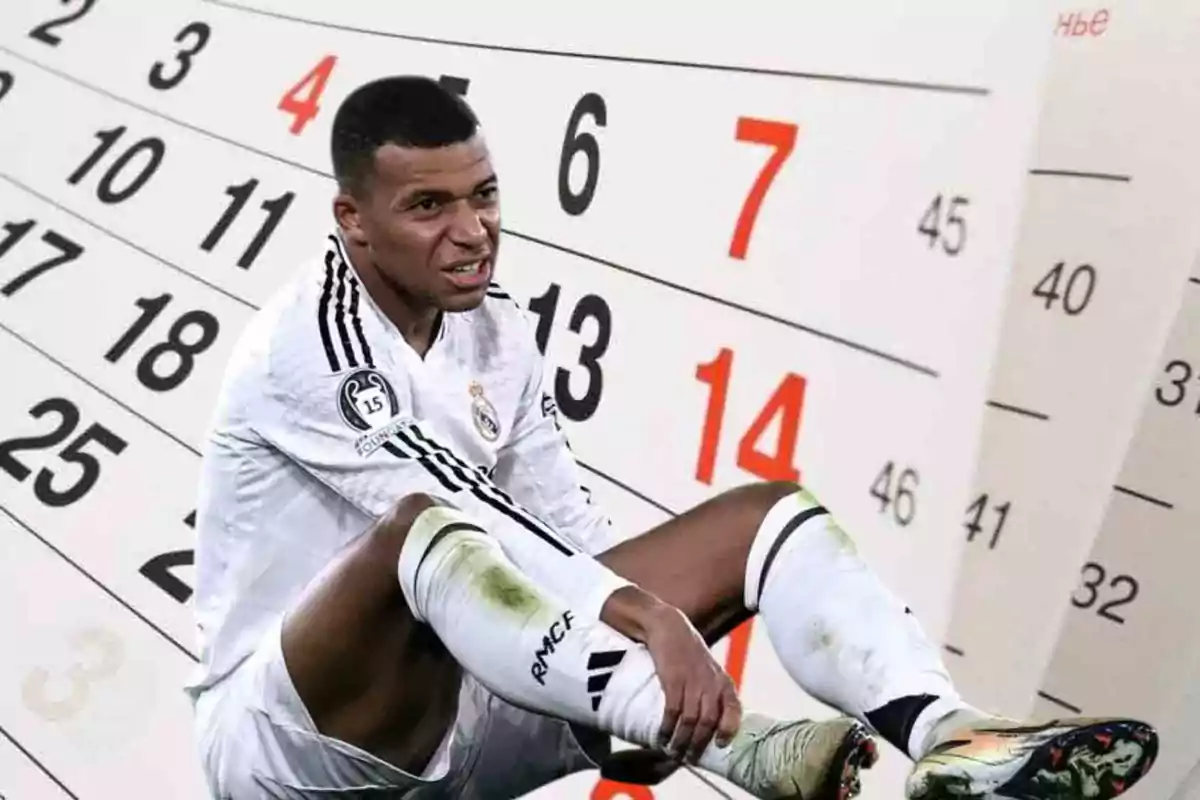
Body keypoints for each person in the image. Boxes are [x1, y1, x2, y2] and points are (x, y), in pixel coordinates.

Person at [185, 74, 1158, 800]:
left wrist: (626, 646)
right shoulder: (307, 341)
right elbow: (471, 514)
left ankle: (952, 736)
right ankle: (748, 747)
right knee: (422, 531)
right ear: (352, 221)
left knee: (761, 511)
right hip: (298, 744)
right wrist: (650, 623)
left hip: (485, 709)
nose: (473, 229)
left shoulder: (499, 330)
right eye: (429, 206)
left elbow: (563, 523)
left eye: (483, 195)